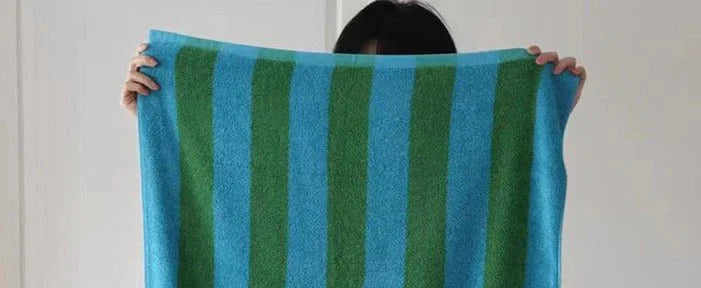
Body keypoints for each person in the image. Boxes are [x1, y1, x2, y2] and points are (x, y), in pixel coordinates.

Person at [121, 0, 586, 115]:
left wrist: (541, 109)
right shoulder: (306, 149)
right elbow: (231, 192)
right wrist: (168, 113)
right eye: (361, 75)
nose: (377, 92)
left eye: (400, 77)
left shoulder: (467, 158)